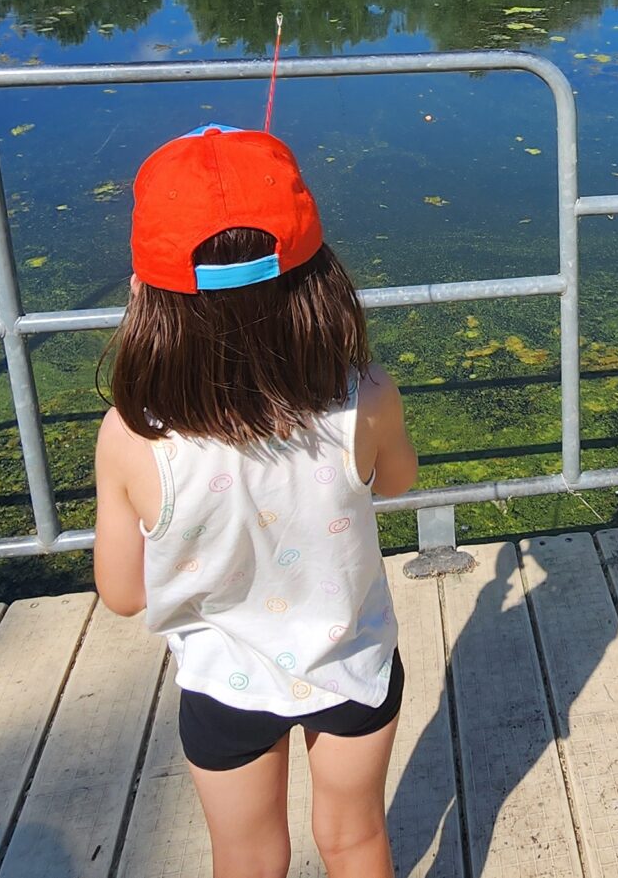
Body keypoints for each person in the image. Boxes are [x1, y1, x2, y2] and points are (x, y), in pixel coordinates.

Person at [92, 124, 418, 878]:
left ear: (145, 296)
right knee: (356, 838)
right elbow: (395, 480)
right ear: (321, 282)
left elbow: (122, 591)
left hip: (224, 681)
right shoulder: (367, 398)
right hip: (353, 659)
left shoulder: (131, 437)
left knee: (245, 854)